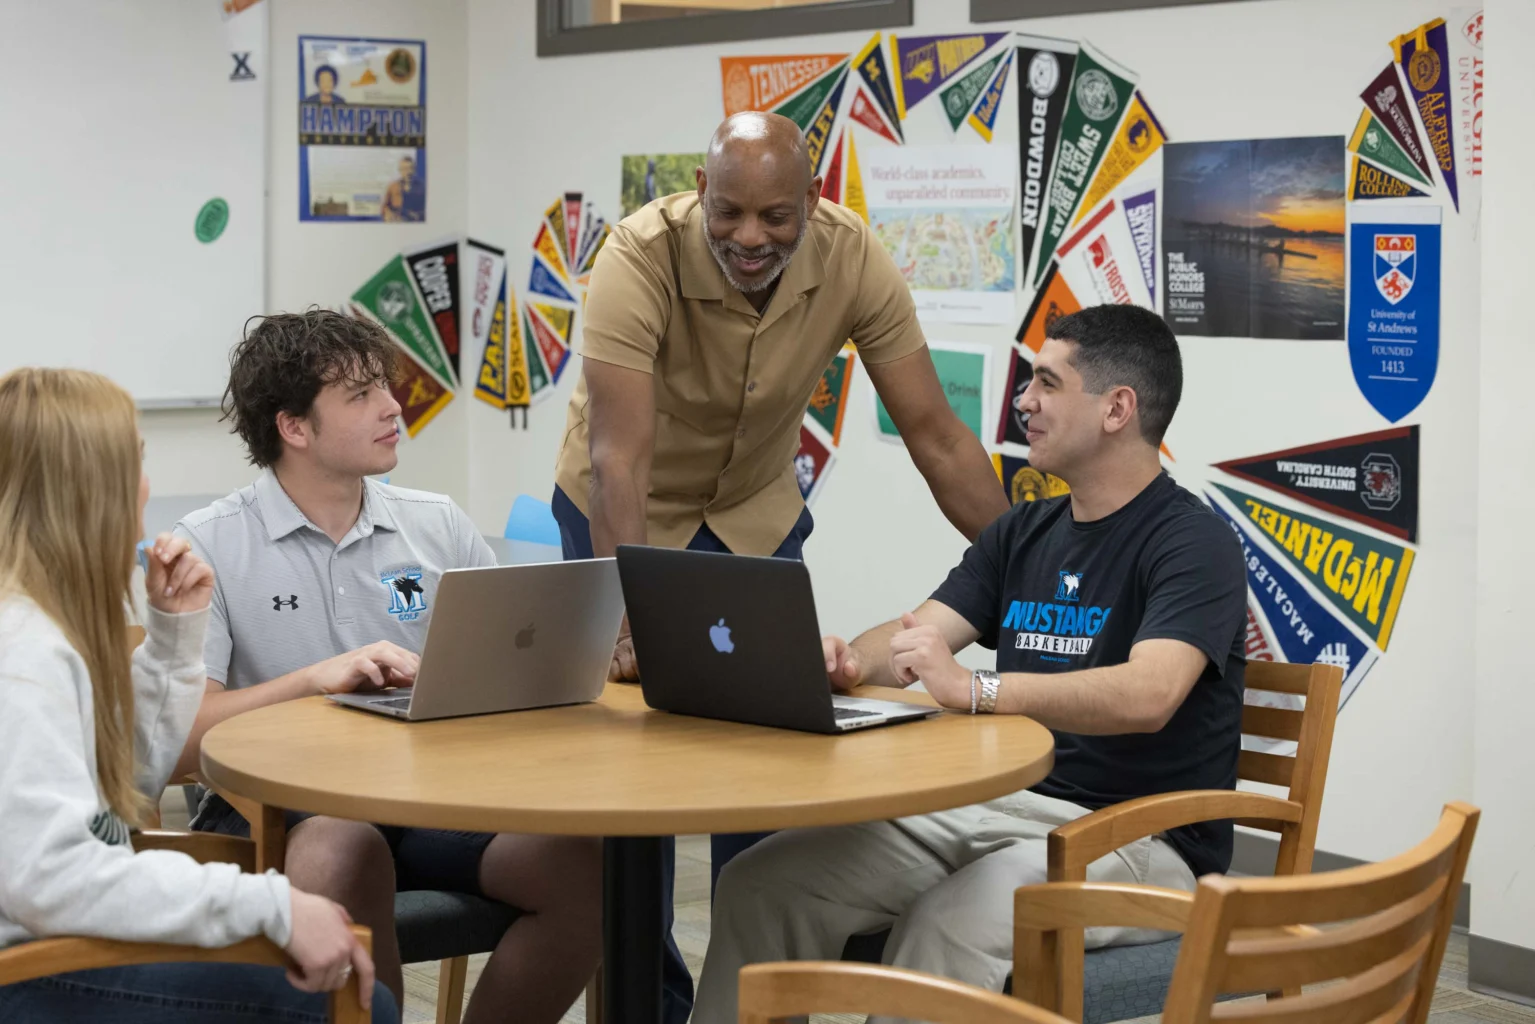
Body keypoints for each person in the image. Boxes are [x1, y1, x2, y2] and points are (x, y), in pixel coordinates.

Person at [553, 109, 1010, 1024]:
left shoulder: (854, 258)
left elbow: (936, 435)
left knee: (767, 764)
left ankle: (753, 1006)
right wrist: (629, 617)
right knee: (628, 772)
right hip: (622, 510)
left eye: (773, 216)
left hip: (753, 513)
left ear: (813, 198)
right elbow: (620, 463)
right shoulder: (637, 256)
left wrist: (1021, 567)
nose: (748, 237)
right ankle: (649, 1001)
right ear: (699, 191)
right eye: (726, 213)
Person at [692, 305, 1249, 1023]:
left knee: (952, 917)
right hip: (1003, 806)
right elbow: (912, 639)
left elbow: (1151, 693)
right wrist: (837, 662)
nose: (1023, 402)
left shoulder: (1192, 542)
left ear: (1116, 409)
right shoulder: (1023, 530)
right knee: (761, 881)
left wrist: (976, 689)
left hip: (1141, 837)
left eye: (1046, 384)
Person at [173, 311, 600, 1024]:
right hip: (279, 810)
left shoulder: (436, 524)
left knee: (582, 865)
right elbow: (183, 741)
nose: (392, 408)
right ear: (295, 428)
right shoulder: (210, 545)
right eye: (361, 395)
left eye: (386, 388)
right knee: (345, 845)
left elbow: (508, 675)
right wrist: (313, 679)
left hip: (428, 795)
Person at [0, 368, 395, 1023]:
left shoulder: (42, 625)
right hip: (34, 968)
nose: (146, 485)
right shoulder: (23, 652)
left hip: (58, 936)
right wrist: (272, 905)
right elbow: (51, 879)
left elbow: (126, 789)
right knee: (354, 1004)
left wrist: (174, 637)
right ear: (91, 486)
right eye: (138, 460)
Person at [381, 154, 425, 223]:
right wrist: (388, 214)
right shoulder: (393, 186)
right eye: (405, 169)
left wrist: (417, 215)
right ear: (400, 170)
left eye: (411, 168)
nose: (409, 172)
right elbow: (385, 207)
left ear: (415, 170)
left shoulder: (423, 187)